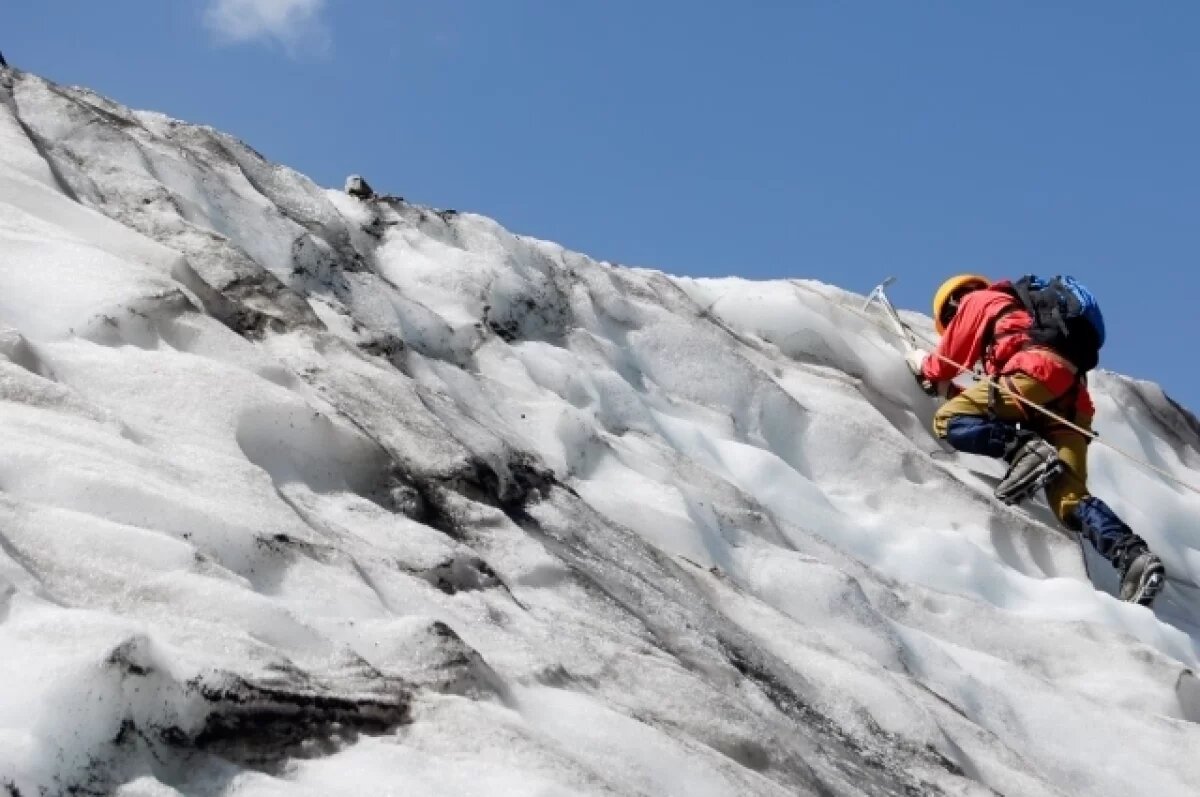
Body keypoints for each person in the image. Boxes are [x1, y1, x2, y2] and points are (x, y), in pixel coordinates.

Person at [905, 274, 1165, 605]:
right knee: (1069, 498)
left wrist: (923, 367)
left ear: (953, 304)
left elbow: (944, 365)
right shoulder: (1024, 318)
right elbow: (996, 401)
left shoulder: (979, 301)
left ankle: (1026, 453)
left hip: (1035, 374)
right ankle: (1134, 558)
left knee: (949, 420)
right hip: (1071, 401)